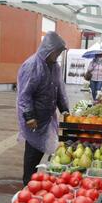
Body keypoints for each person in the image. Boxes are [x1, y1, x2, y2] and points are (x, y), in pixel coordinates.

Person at [17, 31, 70, 185]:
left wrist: (64, 109)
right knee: (32, 155)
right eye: (57, 51)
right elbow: (24, 94)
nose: (58, 55)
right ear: (49, 49)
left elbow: (59, 90)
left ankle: (38, 183)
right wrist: (29, 116)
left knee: (45, 151)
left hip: (48, 118)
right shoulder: (32, 65)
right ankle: (27, 185)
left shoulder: (55, 67)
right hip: (35, 121)